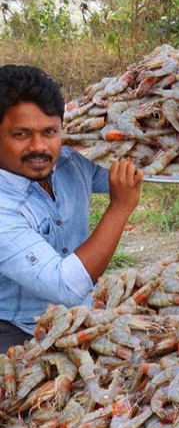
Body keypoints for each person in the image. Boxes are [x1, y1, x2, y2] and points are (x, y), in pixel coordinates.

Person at [0, 65, 143, 353]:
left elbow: (138, 169)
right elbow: (66, 285)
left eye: (50, 131)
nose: (39, 147)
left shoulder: (70, 161)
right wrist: (119, 209)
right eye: (21, 134)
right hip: (17, 329)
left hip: (80, 313)